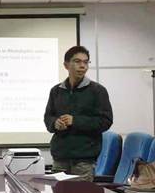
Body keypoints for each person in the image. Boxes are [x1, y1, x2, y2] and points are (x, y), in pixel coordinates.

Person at [44, 45, 113, 181]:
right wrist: (55, 123)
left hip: (83, 161)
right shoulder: (56, 91)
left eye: (86, 62)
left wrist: (75, 121)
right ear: (66, 65)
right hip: (60, 158)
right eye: (77, 61)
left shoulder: (97, 91)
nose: (82, 66)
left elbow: (105, 121)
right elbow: (48, 118)